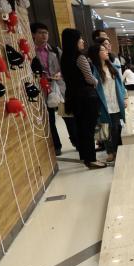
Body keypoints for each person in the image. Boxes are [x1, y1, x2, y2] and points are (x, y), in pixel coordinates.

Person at [60, 29, 106, 169]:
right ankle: (91, 159)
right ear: (74, 41)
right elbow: (90, 79)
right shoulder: (80, 58)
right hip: (87, 98)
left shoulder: (64, 58)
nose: (82, 41)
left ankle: (86, 157)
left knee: (81, 128)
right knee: (89, 130)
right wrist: (97, 82)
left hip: (73, 97)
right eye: (80, 39)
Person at [31, 22, 76, 154]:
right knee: (49, 119)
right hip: (42, 88)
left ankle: (76, 141)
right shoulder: (31, 52)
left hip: (59, 87)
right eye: (40, 32)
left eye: (46, 33)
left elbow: (66, 66)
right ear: (33, 34)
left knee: (68, 115)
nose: (44, 35)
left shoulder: (55, 50)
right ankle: (56, 146)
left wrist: (60, 74)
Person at [89, 40, 127, 164]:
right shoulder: (93, 70)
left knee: (116, 127)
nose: (106, 51)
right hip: (103, 103)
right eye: (102, 50)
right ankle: (110, 152)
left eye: (106, 49)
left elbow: (121, 85)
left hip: (115, 102)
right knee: (106, 128)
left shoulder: (112, 67)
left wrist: (124, 98)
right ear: (96, 54)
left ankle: (117, 150)